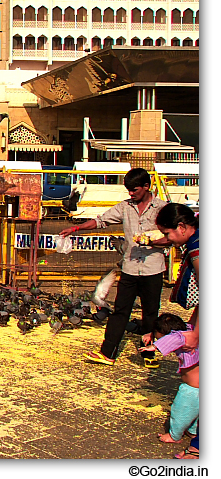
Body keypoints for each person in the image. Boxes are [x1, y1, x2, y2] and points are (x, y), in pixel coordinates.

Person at [58, 168, 168, 367]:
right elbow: (101, 221)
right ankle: (107, 352)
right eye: (128, 190)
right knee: (120, 311)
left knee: (151, 312)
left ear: (146, 187)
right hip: (130, 268)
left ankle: (149, 354)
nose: (131, 194)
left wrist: (155, 243)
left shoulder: (162, 208)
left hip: (153, 268)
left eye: (134, 190)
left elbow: (172, 238)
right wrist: (76, 228)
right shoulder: (125, 207)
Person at [154, 203, 199, 459]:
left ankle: (199, 449)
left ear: (182, 227)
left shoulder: (196, 248)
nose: (168, 239)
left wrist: (194, 333)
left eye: (168, 234)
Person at [138, 313, 198, 445]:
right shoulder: (188, 330)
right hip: (196, 388)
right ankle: (193, 431)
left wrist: (153, 347)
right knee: (193, 412)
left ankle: (174, 436)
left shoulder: (180, 337)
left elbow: (175, 338)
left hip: (192, 389)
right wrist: (151, 335)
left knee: (180, 412)